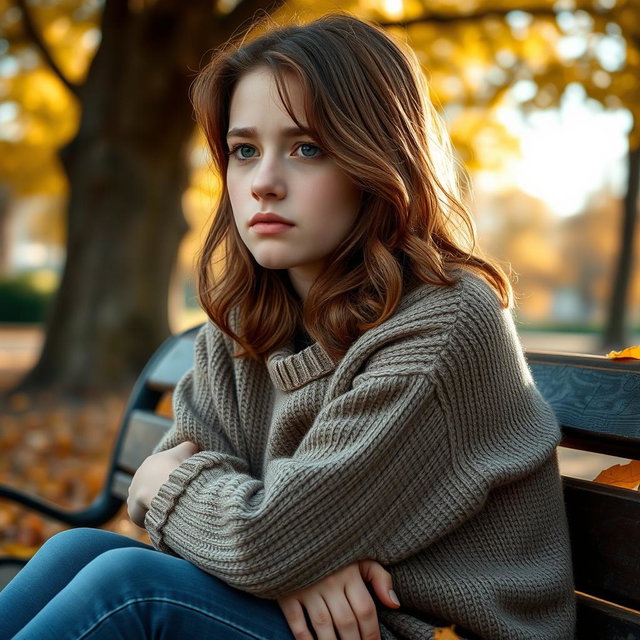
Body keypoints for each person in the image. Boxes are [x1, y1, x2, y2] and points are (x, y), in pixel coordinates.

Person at [0, 12, 576, 640]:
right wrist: (293, 559)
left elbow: (244, 525)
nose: (264, 184)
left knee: (130, 590)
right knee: (76, 552)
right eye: (244, 151)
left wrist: (254, 532)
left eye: (307, 149)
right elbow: (252, 529)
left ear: (375, 162)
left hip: (425, 631)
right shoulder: (245, 323)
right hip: (312, 621)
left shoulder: (445, 321)